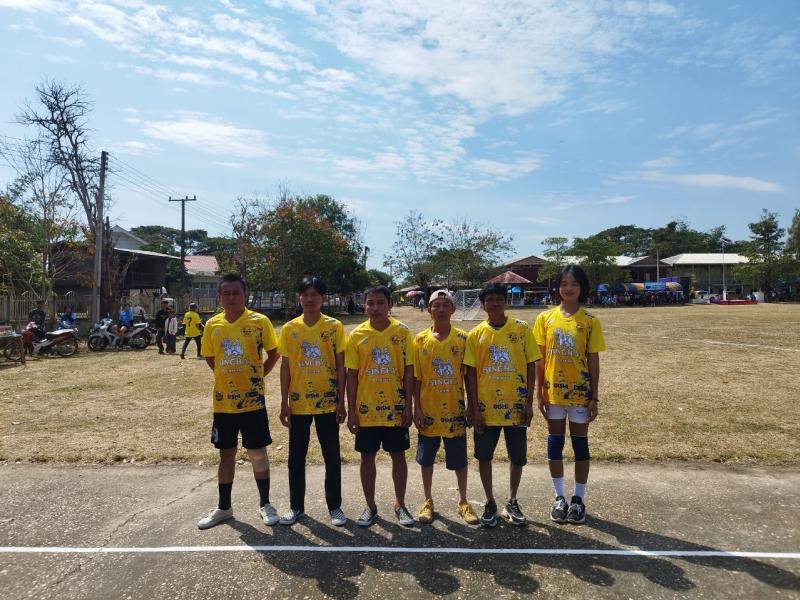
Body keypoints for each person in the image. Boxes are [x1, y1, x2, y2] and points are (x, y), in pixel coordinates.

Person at [197, 273, 280, 530]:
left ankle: (265, 504)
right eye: (227, 293)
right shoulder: (212, 325)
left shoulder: (259, 321)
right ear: (219, 296)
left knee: (257, 453)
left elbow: (274, 352)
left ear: (245, 295)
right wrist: (226, 376)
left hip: (253, 402)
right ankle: (224, 508)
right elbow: (210, 357)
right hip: (224, 403)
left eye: (236, 292)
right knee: (226, 454)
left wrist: (258, 376)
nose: (231, 297)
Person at [464, 282, 540, 527]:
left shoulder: (521, 329)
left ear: (506, 302)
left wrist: (528, 401)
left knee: (517, 457)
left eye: (499, 299)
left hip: (515, 406)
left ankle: (512, 500)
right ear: (482, 304)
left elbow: (531, 365)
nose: (494, 303)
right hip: (486, 409)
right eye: (489, 299)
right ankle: (489, 501)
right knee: (484, 456)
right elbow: (470, 373)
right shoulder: (475, 334)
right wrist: (473, 407)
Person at [534, 264, 605, 526]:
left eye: (574, 283)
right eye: (564, 283)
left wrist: (594, 396)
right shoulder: (545, 318)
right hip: (553, 393)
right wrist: (539, 392)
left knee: (580, 446)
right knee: (555, 444)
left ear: (581, 287)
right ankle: (559, 497)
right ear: (557, 287)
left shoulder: (590, 321)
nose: (568, 288)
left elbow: (593, 361)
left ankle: (578, 499)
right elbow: (539, 358)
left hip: (580, 394)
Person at [277, 276, 347, 527]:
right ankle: (296, 507)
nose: (309, 299)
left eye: (314, 295)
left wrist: (341, 401)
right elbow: (285, 367)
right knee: (296, 457)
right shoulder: (289, 328)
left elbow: (341, 365)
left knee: (332, 456)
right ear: (299, 297)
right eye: (305, 294)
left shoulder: (334, 327)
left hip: (328, 402)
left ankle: (335, 507)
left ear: (323, 298)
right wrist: (284, 402)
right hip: (299, 404)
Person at [345, 285, 415, 527]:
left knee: (398, 456)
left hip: (395, 409)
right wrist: (352, 410)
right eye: (370, 303)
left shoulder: (403, 332)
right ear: (364, 306)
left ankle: (400, 505)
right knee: (367, 458)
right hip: (367, 410)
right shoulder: (356, 335)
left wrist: (408, 406)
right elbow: (352, 375)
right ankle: (370, 507)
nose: (375, 308)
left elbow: (409, 371)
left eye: (380, 303)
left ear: (390, 305)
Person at [413, 289, 479, 526]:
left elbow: (469, 375)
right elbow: (416, 378)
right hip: (429, 411)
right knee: (426, 460)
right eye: (436, 305)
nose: (440, 309)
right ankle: (427, 500)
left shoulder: (463, 338)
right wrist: (417, 409)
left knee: (459, 460)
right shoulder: (419, 340)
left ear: (453, 309)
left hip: (454, 410)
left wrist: (472, 405)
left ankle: (463, 501)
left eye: (445, 305)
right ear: (429, 310)